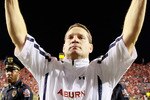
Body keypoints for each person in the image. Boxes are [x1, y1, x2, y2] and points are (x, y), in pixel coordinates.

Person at [4, 0, 147, 99]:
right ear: (63, 47)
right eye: (70, 37)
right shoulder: (47, 67)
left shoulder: (103, 69)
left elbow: (129, 37)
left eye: (81, 37)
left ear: (91, 47)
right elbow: (19, 38)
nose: (75, 39)